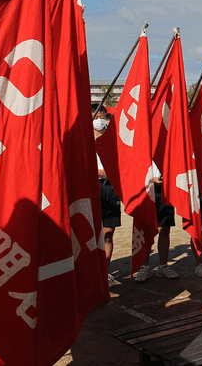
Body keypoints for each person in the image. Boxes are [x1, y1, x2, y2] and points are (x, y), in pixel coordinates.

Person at [134, 162, 180, 282]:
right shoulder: (142, 151)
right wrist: (149, 179)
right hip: (145, 190)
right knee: (145, 230)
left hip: (165, 191)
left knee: (164, 229)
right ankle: (144, 267)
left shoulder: (165, 151)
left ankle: (163, 266)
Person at [92, 105, 121, 288]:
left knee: (108, 234)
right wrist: (104, 173)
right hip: (92, 189)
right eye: (96, 117)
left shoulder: (112, 138)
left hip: (110, 189)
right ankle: (91, 274)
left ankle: (105, 273)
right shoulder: (84, 140)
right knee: (90, 234)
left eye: (101, 116)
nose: (99, 120)